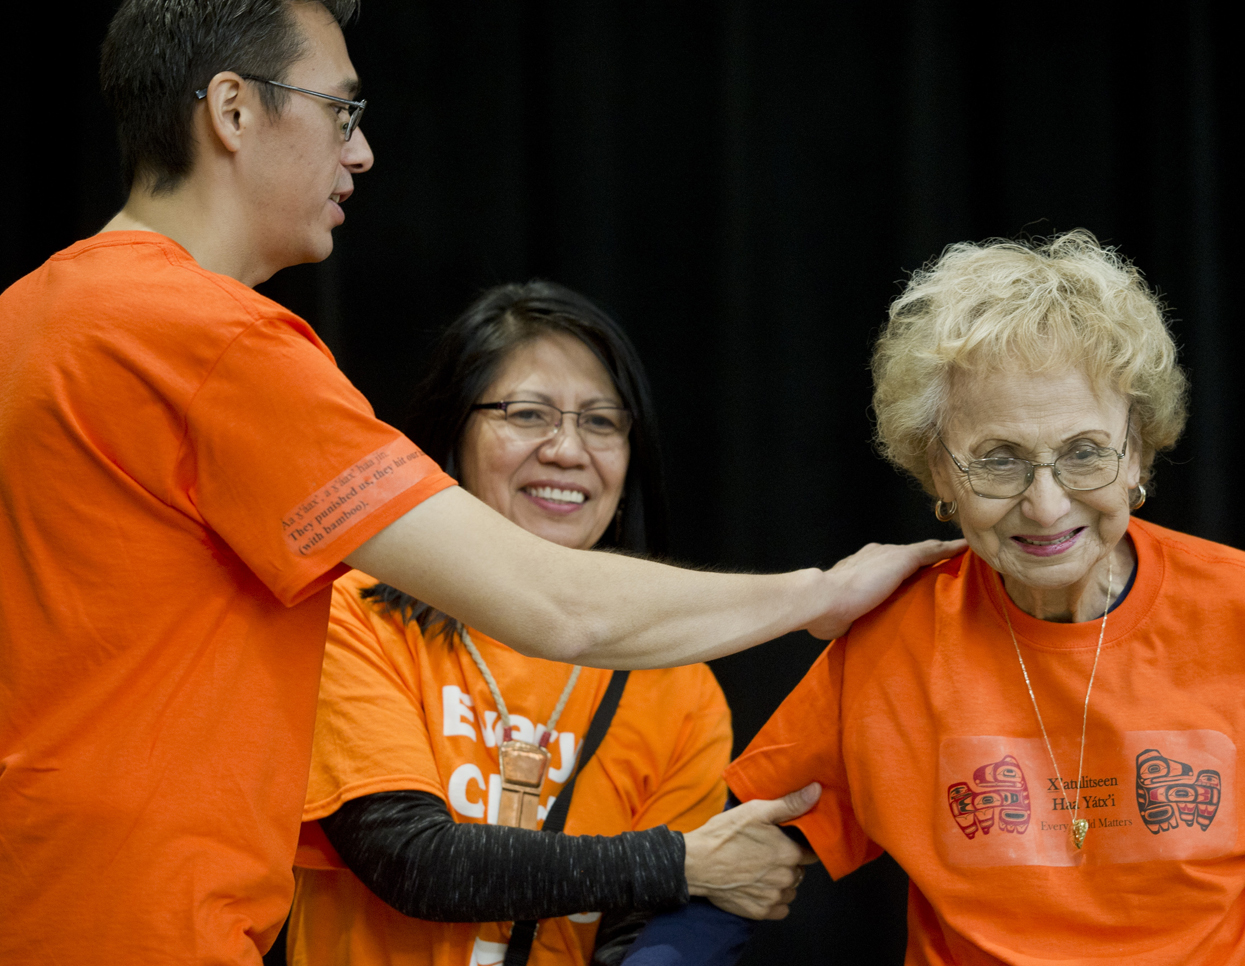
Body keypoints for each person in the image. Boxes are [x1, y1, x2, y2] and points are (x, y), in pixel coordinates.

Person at [0, 3, 959, 964]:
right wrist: (821, 593)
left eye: (600, 422)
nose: (362, 153)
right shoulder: (214, 340)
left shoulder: (30, 314)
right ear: (233, 111)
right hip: (137, 924)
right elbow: (552, 604)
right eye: (341, 111)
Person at [723, 232, 1245, 964]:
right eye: (999, 460)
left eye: (1084, 452)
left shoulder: (1242, 603)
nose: (1047, 506)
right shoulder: (894, 635)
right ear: (940, 472)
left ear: (1139, 451)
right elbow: (739, 855)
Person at [287, 282, 807, 966]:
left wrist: (678, 883)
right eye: (527, 414)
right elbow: (413, 860)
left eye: (600, 421)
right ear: (452, 438)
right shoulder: (356, 616)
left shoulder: (678, 687)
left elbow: (640, 931)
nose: (567, 450)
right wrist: (678, 860)